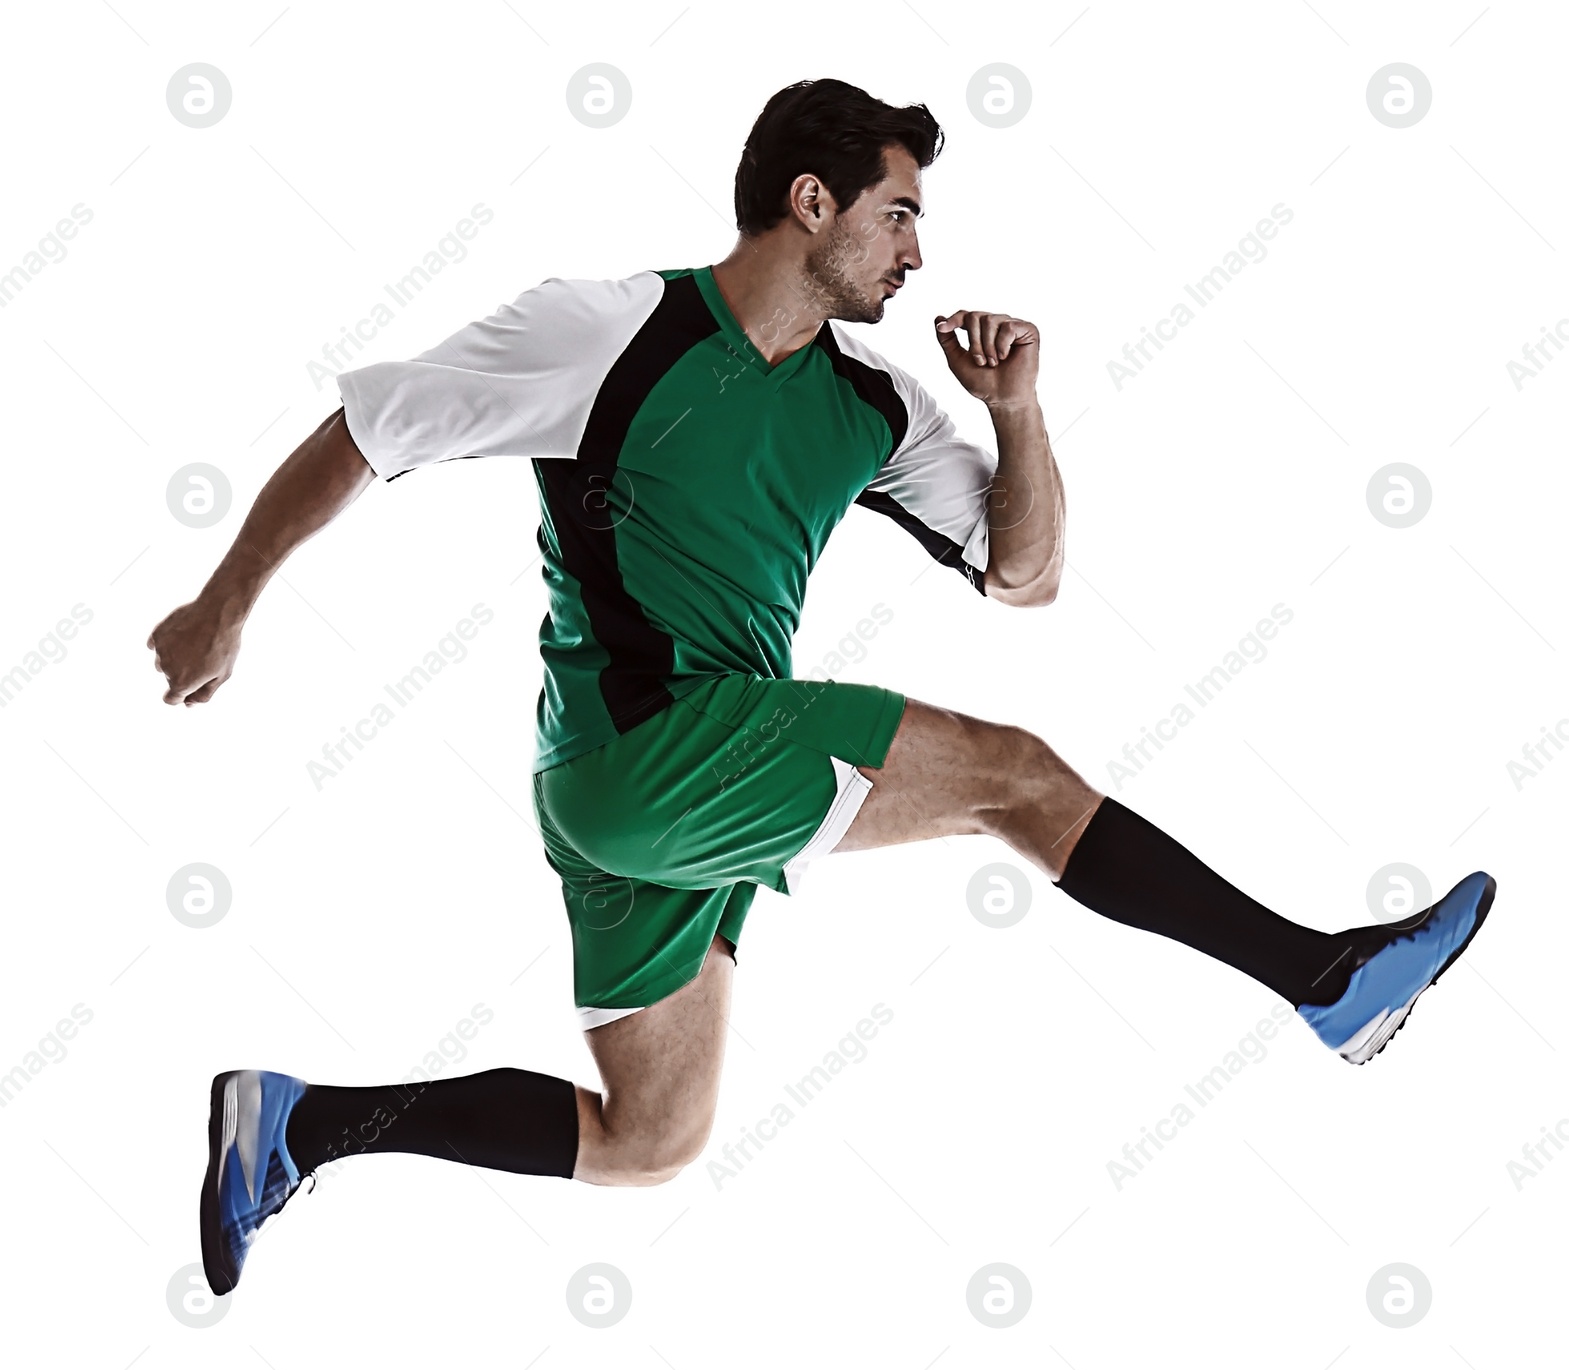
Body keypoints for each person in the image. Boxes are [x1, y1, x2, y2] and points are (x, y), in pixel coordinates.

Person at [148, 78, 1495, 1296]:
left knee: (650, 1136)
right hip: (651, 750)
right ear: (813, 202)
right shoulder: (610, 330)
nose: (919, 252)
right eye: (899, 215)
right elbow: (369, 430)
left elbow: (1023, 578)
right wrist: (224, 605)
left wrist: (1016, 411)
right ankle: (1325, 975)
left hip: (648, 797)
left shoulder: (876, 402)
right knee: (1014, 778)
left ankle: (294, 1122)